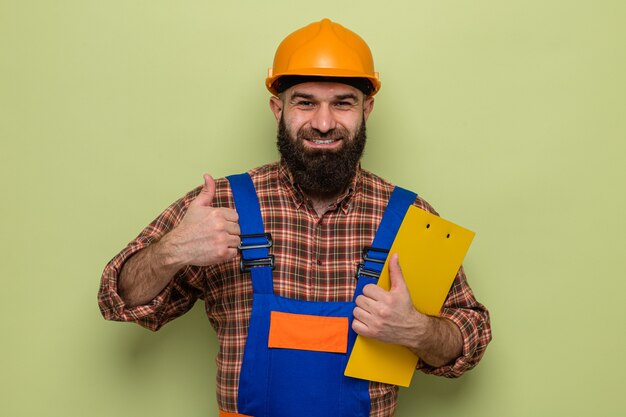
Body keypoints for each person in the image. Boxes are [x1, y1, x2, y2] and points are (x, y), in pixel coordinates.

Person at [98, 18, 491, 417]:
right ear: (277, 108)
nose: (323, 123)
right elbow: (117, 298)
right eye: (305, 102)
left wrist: (418, 331)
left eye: (343, 103)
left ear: (367, 109)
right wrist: (171, 252)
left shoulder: (410, 218)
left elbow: (472, 337)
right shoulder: (221, 204)